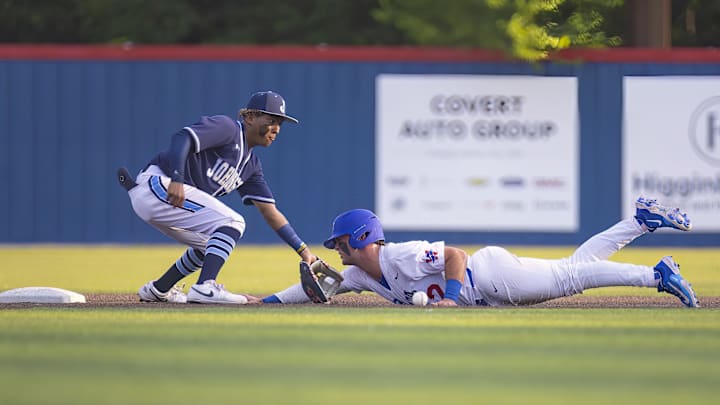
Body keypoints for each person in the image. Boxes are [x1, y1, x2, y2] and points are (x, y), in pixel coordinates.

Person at [259, 197, 700, 308]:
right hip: (486, 284)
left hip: (487, 277)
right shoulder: (360, 276)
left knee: (572, 277)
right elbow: (320, 290)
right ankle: (641, 221)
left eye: (338, 242)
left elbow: (456, 255)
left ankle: (655, 276)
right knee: (572, 268)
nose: (334, 250)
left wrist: (450, 296)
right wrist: (263, 302)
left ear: (358, 238)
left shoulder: (398, 256)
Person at [123, 91, 317, 304]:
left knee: (211, 243)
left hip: (164, 195)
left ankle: (158, 289)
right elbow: (182, 137)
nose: (276, 128)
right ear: (249, 117)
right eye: (271, 120)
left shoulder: (251, 166)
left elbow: (270, 213)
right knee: (233, 222)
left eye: (280, 123)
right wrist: (177, 178)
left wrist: (304, 251)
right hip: (158, 185)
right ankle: (205, 286)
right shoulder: (229, 129)